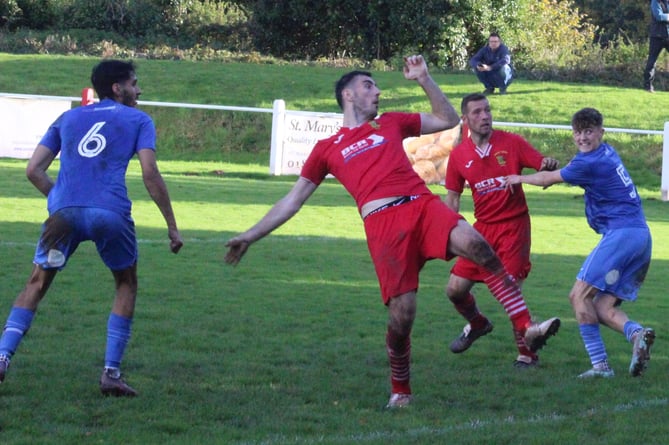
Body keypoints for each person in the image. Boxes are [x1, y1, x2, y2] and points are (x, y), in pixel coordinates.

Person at [224, 55, 560, 409]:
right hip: (384, 226)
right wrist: (250, 235)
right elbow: (292, 201)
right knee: (403, 316)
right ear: (348, 95)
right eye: (369, 86)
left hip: (421, 204)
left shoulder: (391, 123)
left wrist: (425, 79)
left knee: (479, 246)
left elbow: (447, 120)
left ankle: (527, 328)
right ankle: (401, 389)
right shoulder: (327, 149)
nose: (378, 91)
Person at [0, 60, 183, 396]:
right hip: (110, 213)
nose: (139, 90)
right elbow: (150, 173)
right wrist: (172, 226)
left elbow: (33, 170)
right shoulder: (140, 120)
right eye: (134, 83)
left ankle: (2, 356)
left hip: (63, 214)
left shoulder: (68, 118)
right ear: (118, 87)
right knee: (126, 283)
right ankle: (111, 373)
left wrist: (62, 200)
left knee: (37, 282)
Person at [505, 107, 655, 378]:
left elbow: (548, 179)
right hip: (641, 237)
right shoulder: (606, 152)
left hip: (622, 235)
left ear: (601, 132)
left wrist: (519, 178)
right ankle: (637, 335)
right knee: (601, 306)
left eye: (588, 132)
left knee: (578, 295)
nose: (582, 138)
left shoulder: (589, 162)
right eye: (578, 132)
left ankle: (600, 367)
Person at [444, 93, 561, 368]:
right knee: (454, 290)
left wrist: (548, 163)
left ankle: (527, 355)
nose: (485, 116)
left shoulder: (511, 142)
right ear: (466, 119)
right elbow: (452, 198)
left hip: (514, 227)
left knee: (511, 288)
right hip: (481, 231)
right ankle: (478, 323)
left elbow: (541, 165)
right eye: (477, 112)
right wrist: (449, 230)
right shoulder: (459, 156)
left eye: (487, 110)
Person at [643, 0, 669, 93]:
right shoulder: (655, 2)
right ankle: (648, 86)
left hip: (668, 35)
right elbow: (659, 16)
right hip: (657, 36)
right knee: (652, 61)